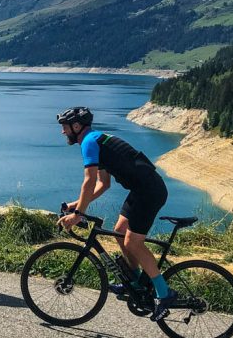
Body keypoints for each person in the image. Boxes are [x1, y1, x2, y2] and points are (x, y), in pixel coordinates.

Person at [55, 106, 179, 321]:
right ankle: (136, 282)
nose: (62, 132)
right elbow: (103, 185)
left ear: (76, 126)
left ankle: (164, 293)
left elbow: (89, 181)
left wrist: (78, 214)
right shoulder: (97, 140)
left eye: (65, 127)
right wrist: (75, 205)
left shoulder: (89, 143)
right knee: (119, 232)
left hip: (149, 191)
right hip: (141, 189)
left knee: (133, 243)